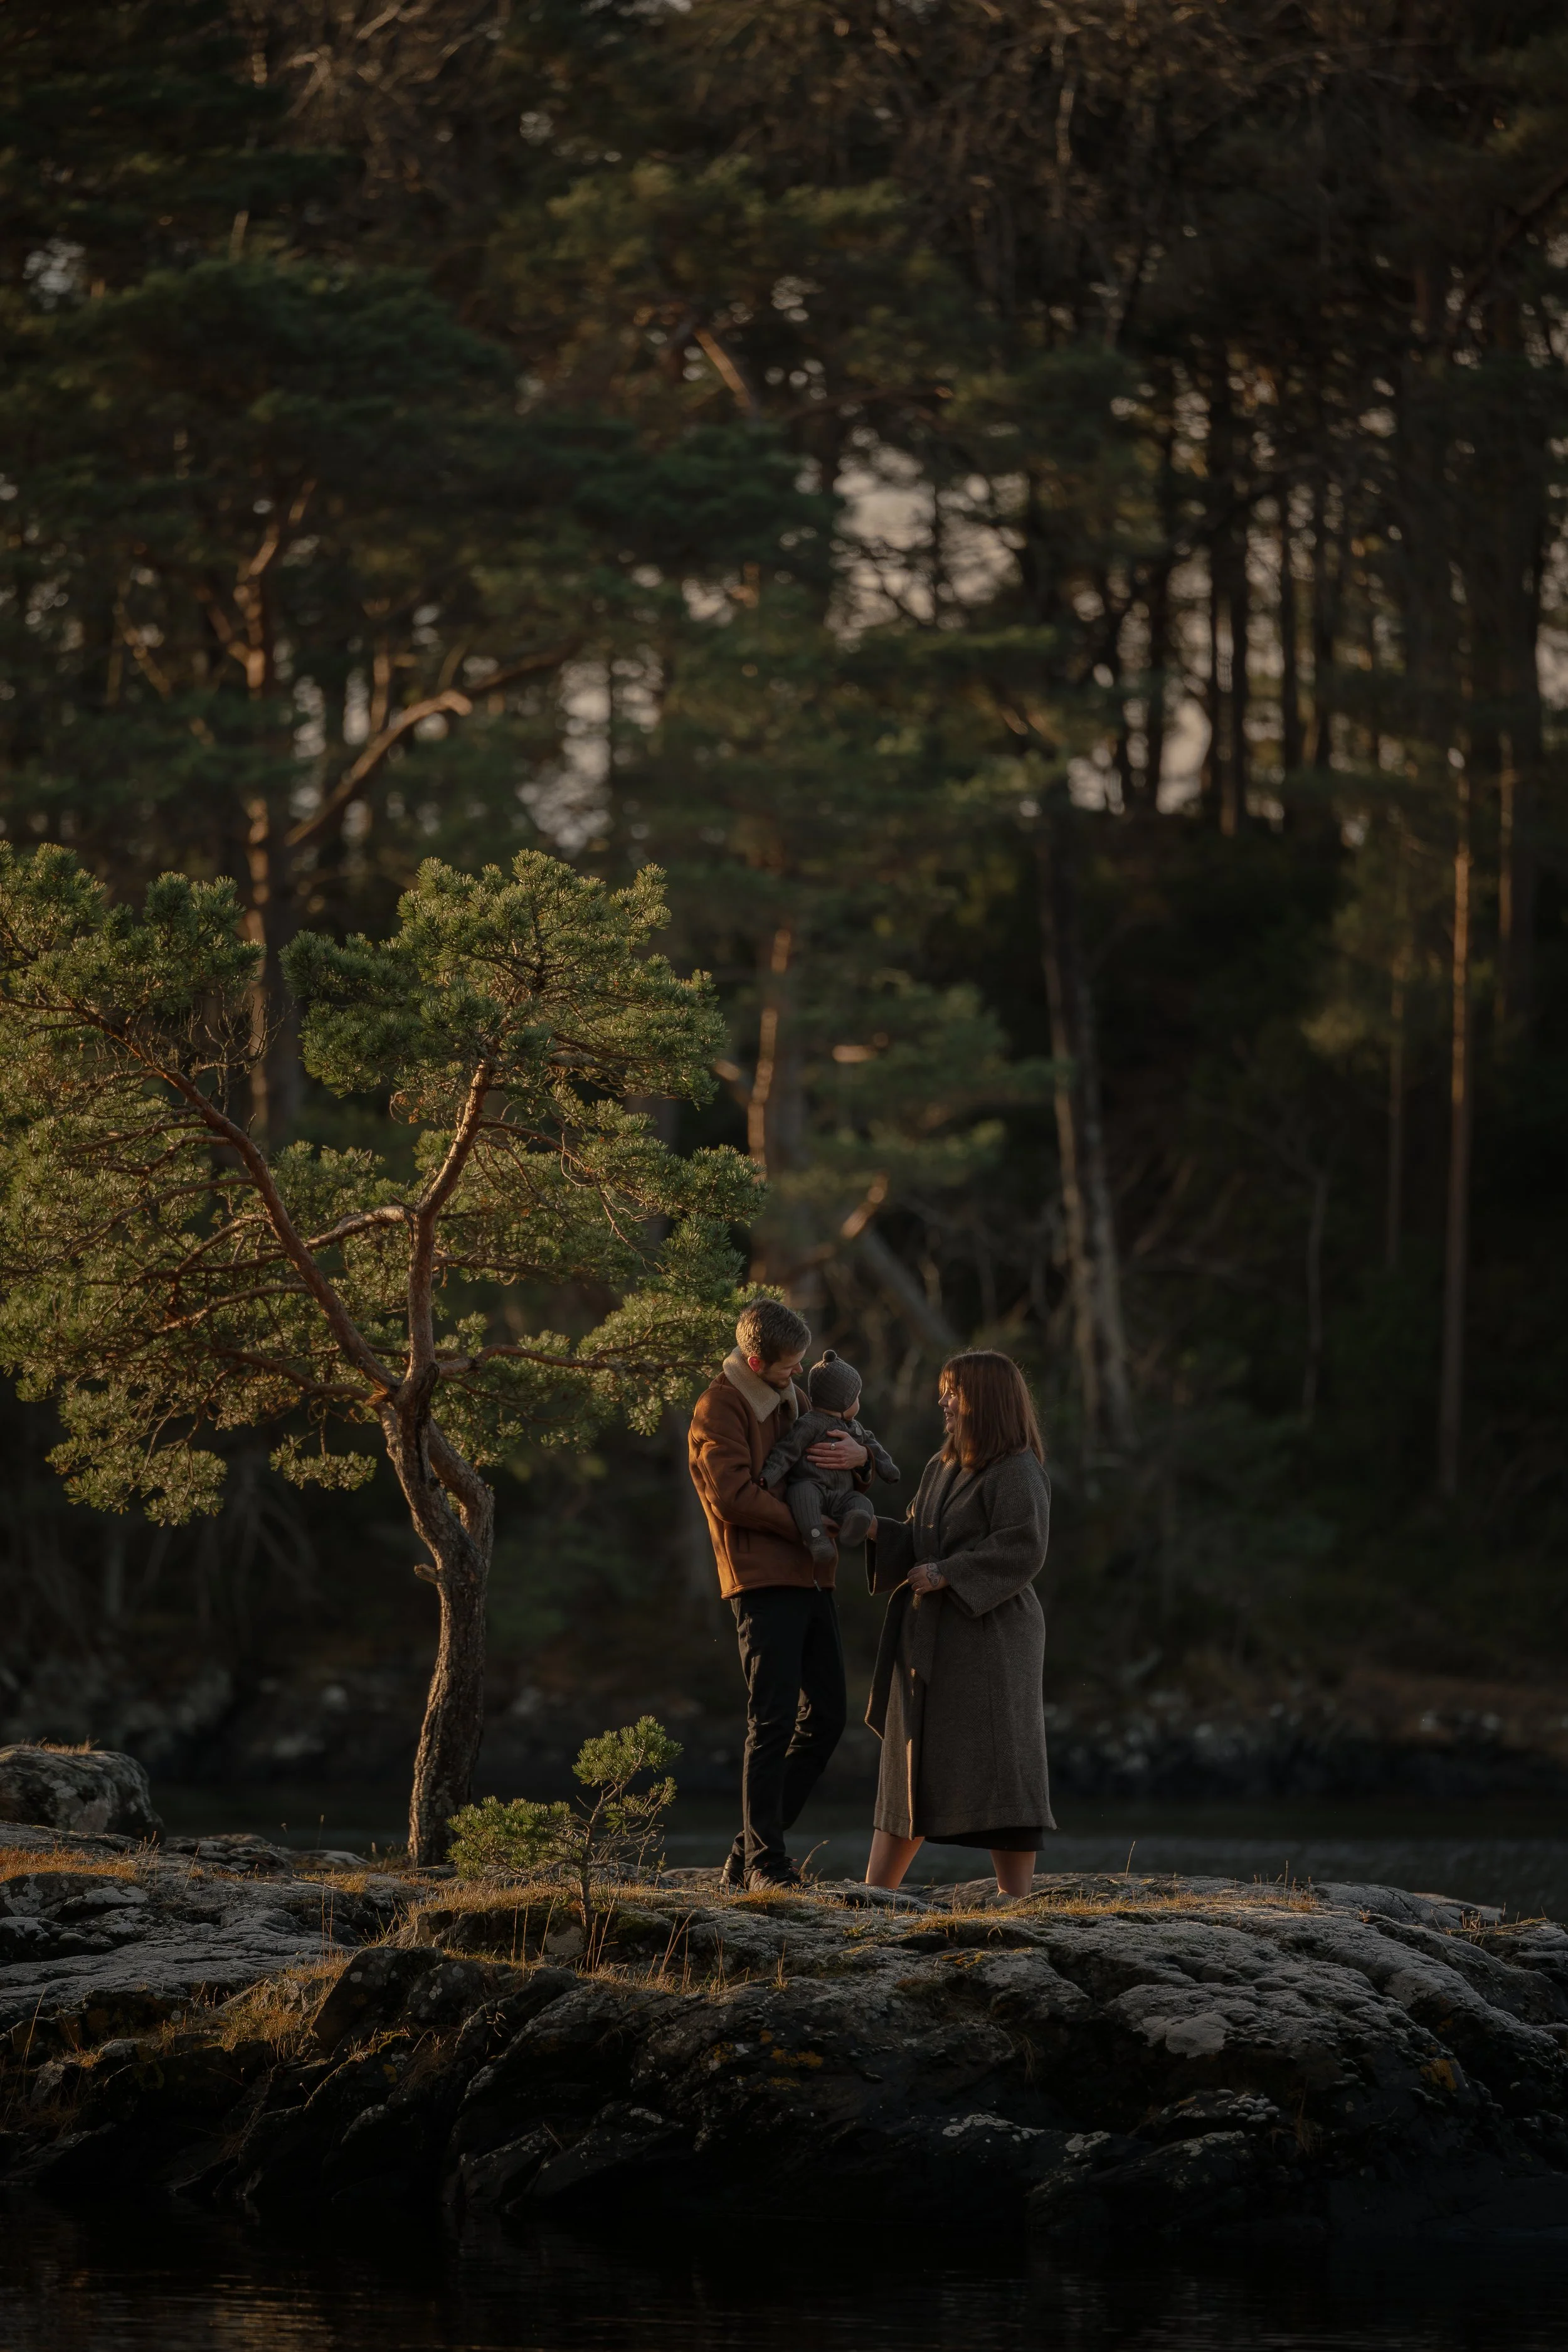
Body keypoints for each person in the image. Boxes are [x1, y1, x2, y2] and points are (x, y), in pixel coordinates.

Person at [687, 1299, 870, 1889]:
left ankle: (748, 1855)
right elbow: (732, 1496)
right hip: (762, 1579)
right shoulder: (719, 1406)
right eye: (791, 1364)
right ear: (758, 1359)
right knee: (770, 1721)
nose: (799, 1372)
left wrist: (861, 1458)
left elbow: (825, 1463)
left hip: (813, 1574)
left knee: (829, 1716)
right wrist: (814, 1528)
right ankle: (767, 1865)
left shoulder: (793, 1398)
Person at [863, 1349, 1054, 1899]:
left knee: (1002, 1761)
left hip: (991, 1638)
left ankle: (1014, 1899)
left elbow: (1024, 1546)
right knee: (909, 1759)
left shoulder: (1019, 1468)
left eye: (954, 1392)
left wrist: (949, 1574)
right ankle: (875, 1893)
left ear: (986, 1402)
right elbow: (919, 1540)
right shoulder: (941, 1467)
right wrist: (869, 1529)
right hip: (928, 1639)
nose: (942, 1402)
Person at [761, 1348, 900, 1567]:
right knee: (801, 1494)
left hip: (842, 1494)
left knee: (861, 1502)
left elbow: (872, 1446)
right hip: (811, 1485)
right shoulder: (809, 1424)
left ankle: (855, 1522)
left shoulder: (854, 1428)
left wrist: (888, 1469)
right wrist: (769, 1475)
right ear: (843, 1401)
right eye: (856, 1397)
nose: (858, 1402)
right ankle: (817, 1540)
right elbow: (787, 1451)